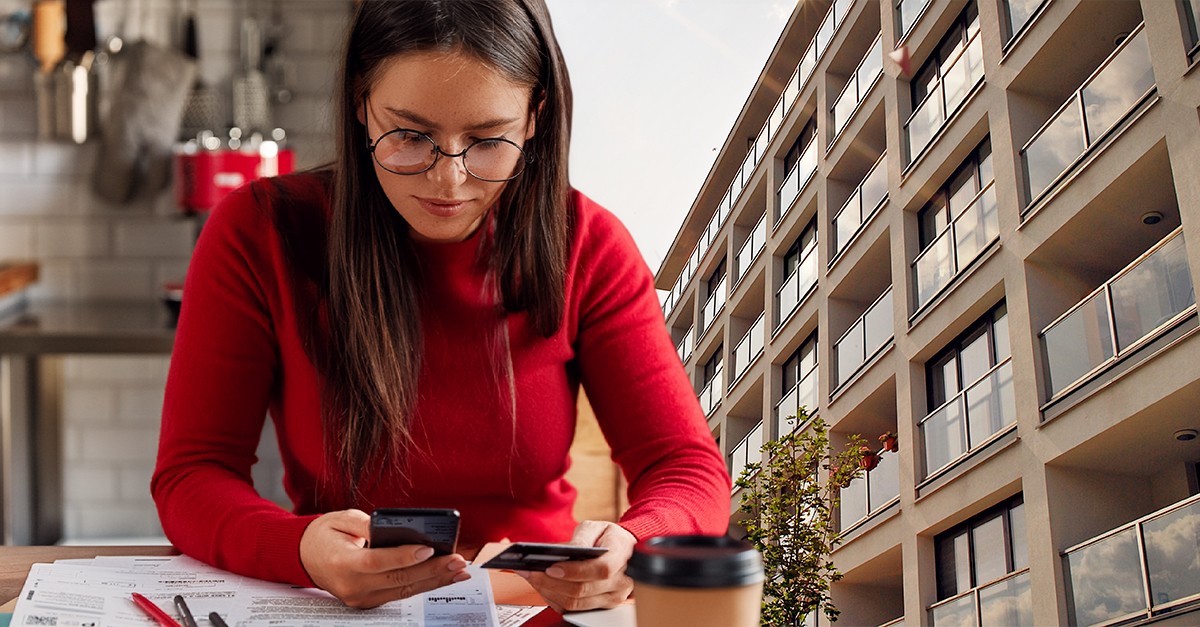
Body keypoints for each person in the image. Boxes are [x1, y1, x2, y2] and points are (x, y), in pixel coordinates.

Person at [151, 0, 731, 613]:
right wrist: (298, 549)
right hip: (343, 610)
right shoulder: (258, 231)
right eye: (410, 136)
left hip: (532, 611)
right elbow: (192, 475)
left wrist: (636, 544)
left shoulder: (587, 243)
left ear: (534, 118)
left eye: (487, 141)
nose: (448, 181)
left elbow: (685, 468)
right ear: (359, 105)